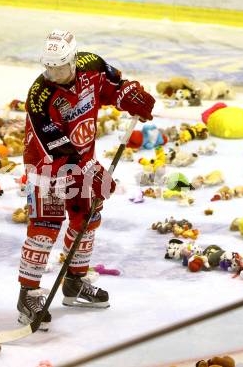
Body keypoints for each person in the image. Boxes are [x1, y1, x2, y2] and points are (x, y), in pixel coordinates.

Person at [17, 30, 155, 330]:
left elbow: (116, 87)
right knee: (45, 225)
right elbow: (57, 145)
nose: (54, 73)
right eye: (49, 67)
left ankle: (74, 283)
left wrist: (131, 96)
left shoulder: (92, 66)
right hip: (48, 164)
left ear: (74, 60)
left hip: (82, 157)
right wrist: (88, 172)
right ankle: (28, 294)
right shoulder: (40, 96)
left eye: (60, 67)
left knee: (87, 219)